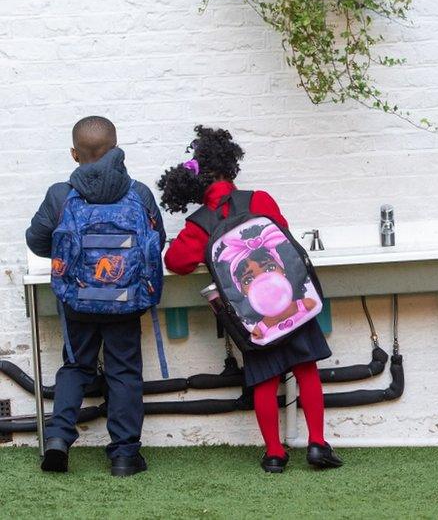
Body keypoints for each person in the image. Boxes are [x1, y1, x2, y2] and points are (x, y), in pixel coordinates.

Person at [159, 125, 341, 473]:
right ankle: (317, 444)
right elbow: (282, 234)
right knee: (306, 370)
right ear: (231, 166)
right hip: (291, 301)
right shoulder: (259, 200)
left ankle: (274, 453)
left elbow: (176, 262)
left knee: (264, 379)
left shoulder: (199, 224)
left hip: (250, 318)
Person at [26, 116, 166, 476]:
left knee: (76, 366)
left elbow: (37, 240)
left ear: (74, 154)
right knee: (124, 373)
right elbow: (156, 243)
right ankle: (124, 456)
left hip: (77, 301)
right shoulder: (140, 193)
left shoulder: (61, 194)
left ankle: (57, 439)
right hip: (126, 300)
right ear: (116, 148)